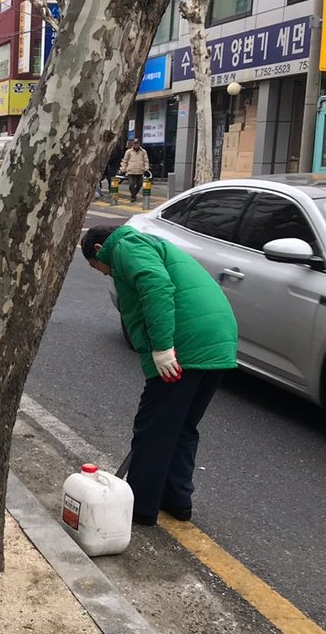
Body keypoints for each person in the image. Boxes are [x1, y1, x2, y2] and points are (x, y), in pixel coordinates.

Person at [82, 224, 237, 525]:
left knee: (152, 429)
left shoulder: (126, 247)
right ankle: (176, 501)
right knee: (181, 427)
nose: (103, 273)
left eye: (97, 267)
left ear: (100, 249)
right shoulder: (150, 243)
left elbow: (156, 285)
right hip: (217, 341)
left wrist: (163, 347)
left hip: (186, 345)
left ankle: (140, 508)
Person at [119, 138, 151, 202]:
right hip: (131, 170)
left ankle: (134, 194)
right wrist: (123, 170)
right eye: (134, 143)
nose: (136, 145)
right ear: (132, 144)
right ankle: (133, 196)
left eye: (137, 143)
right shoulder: (128, 151)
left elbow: (146, 161)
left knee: (140, 184)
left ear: (139, 144)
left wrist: (146, 169)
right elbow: (125, 161)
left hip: (140, 170)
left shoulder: (143, 151)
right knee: (131, 185)